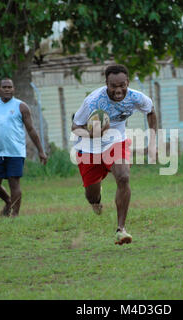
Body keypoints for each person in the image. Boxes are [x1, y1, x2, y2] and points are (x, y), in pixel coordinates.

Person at [71, 64, 157, 245]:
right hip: (89, 148)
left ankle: (121, 229)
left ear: (127, 82)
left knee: (123, 177)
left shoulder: (136, 97)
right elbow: (75, 127)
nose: (118, 90)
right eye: (113, 86)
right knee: (92, 196)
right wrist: (92, 134)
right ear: (106, 84)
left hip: (115, 141)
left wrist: (153, 143)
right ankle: (96, 199)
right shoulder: (93, 101)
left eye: (122, 85)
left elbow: (151, 111)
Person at [0, 78, 47, 217]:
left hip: (16, 152)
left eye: (10, 87)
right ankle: (8, 201)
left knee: (14, 183)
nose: (7, 89)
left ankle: (14, 215)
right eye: (4, 87)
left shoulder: (21, 106)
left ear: (14, 89)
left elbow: (31, 130)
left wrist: (41, 151)